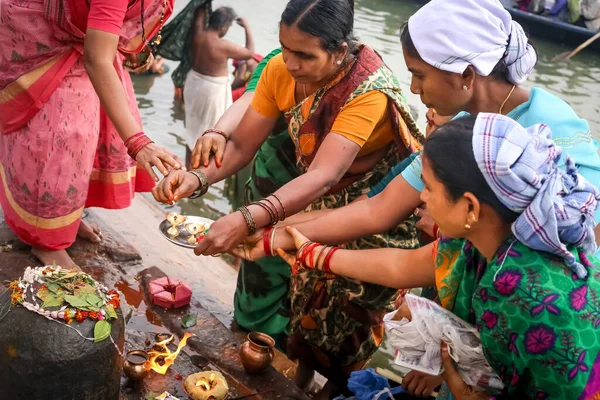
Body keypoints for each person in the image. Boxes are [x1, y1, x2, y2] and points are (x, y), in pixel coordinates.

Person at [154, 0, 424, 395]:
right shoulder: (280, 69)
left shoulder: (367, 91)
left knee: (345, 323)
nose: (290, 62)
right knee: (295, 306)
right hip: (308, 200)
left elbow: (324, 174)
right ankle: (291, 379)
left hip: (366, 209)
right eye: (284, 47)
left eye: (305, 55)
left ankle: (329, 388)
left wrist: (247, 218)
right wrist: (195, 178)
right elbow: (243, 146)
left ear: (339, 51)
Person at [272, 113, 600, 399]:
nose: (422, 198)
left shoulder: (531, 296)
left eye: (428, 187)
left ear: (469, 206)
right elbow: (404, 264)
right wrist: (312, 254)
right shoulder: (491, 234)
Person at [0, 0, 183, 269]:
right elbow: (97, 60)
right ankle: (45, 240)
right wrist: (138, 142)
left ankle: (65, 220)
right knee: (62, 136)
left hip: (87, 38)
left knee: (95, 127)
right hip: (43, 35)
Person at [183, 6, 255, 167]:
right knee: (211, 129)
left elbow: (198, 12)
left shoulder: (198, 33)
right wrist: (247, 27)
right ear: (224, 27)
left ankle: (189, 165)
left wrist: (203, 5)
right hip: (211, 91)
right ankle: (199, 170)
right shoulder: (222, 44)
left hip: (193, 84)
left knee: (193, 127)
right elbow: (249, 53)